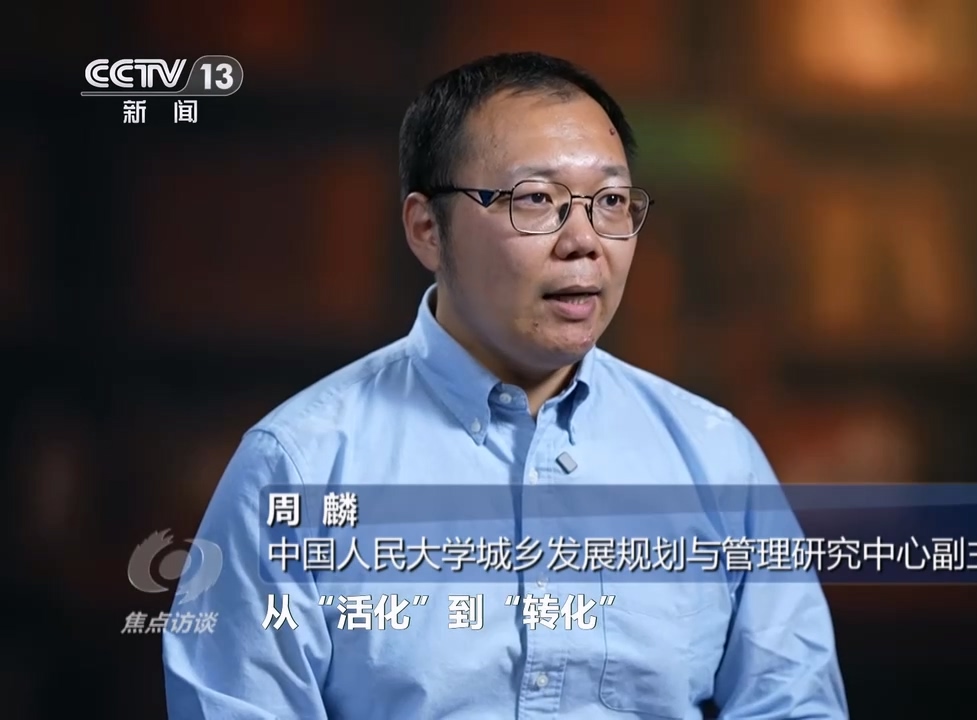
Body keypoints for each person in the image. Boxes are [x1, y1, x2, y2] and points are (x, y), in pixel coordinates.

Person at [163, 51, 847, 719]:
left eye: (611, 201)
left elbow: (794, 703)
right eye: (537, 200)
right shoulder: (299, 465)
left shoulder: (715, 457)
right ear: (427, 230)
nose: (584, 241)